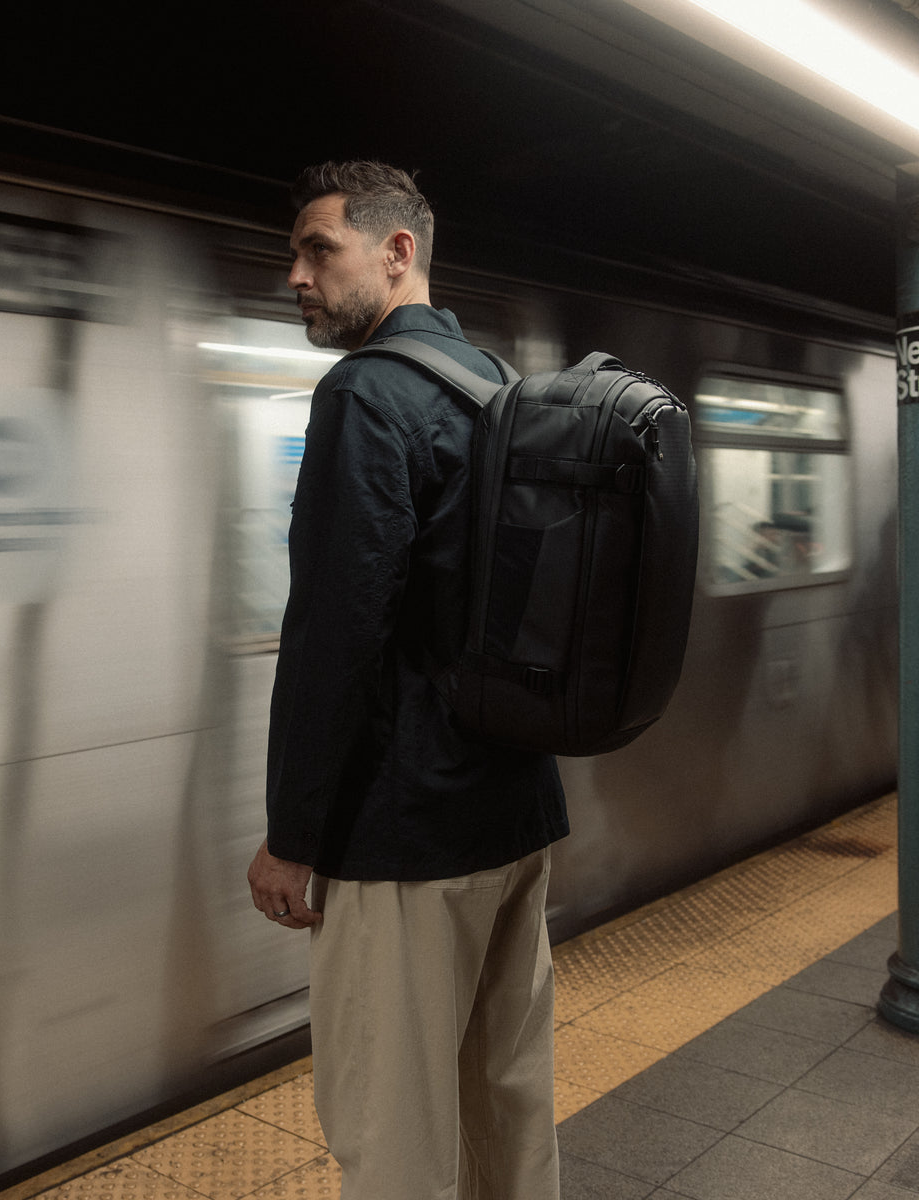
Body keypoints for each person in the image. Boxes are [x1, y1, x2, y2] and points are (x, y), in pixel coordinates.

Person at [247, 160, 569, 1200]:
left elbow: (338, 628)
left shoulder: (367, 394)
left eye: (317, 248)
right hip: (515, 814)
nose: (294, 273)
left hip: (405, 834)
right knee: (508, 1103)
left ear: (398, 253)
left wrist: (293, 833)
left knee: (392, 1130)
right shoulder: (500, 388)